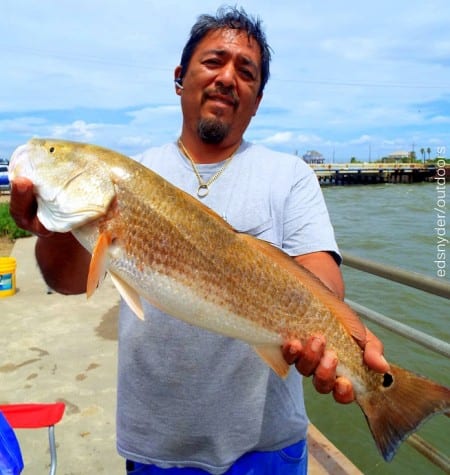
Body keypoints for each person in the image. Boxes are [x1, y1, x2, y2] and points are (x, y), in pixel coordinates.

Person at [10, 6, 389, 475]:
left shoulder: (290, 175)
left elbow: (323, 278)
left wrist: (335, 338)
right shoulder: (135, 172)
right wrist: (52, 227)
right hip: (157, 446)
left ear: (257, 98)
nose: (227, 77)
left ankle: (389, 404)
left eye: (245, 71)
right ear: (179, 78)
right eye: (213, 62)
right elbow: (66, 281)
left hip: (268, 444)